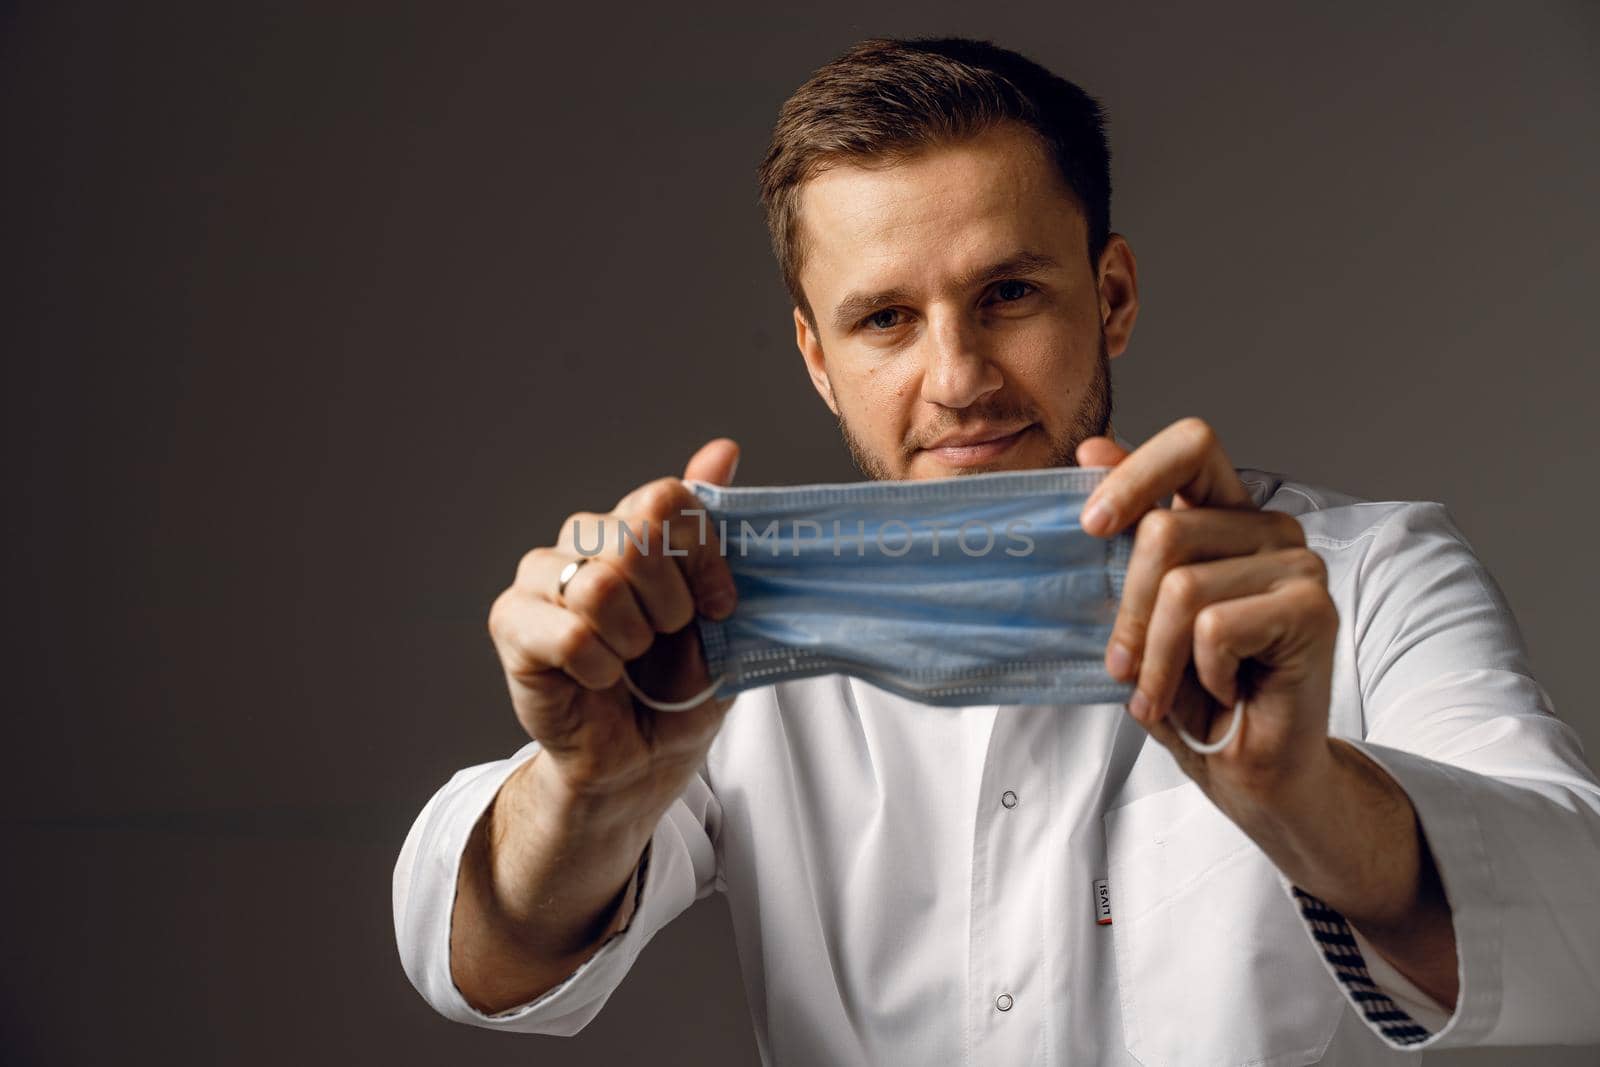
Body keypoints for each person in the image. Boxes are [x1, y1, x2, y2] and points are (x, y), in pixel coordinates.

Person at [392, 37, 1600, 1065]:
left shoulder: (1367, 573)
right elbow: (479, 963)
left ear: (1110, 294)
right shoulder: (718, 624)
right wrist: (590, 793)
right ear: (817, 357)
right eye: (884, 319)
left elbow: (1579, 931)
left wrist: (1310, 800)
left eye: (1010, 293)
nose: (959, 379)